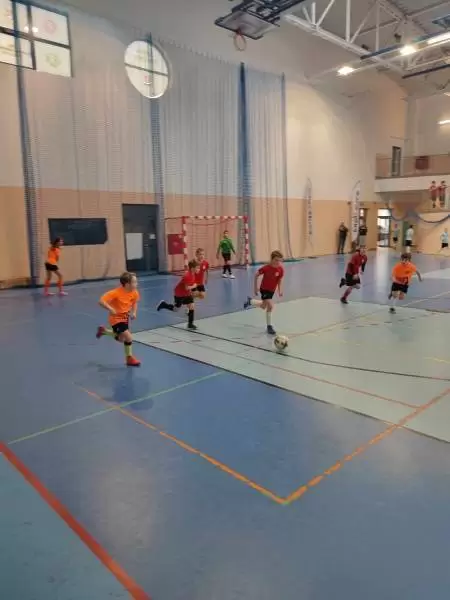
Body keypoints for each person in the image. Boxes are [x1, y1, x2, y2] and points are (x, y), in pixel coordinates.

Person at [96, 272, 141, 367]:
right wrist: (110, 308)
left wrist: (134, 312)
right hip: (116, 319)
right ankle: (129, 358)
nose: (137, 284)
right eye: (134, 282)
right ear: (127, 284)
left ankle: (104, 331)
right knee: (129, 337)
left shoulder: (134, 292)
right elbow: (101, 301)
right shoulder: (115, 293)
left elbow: (135, 302)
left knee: (121, 339)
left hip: (125, 318)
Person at [244, 250, 284, 335]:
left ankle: (250, 301)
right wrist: (255, 288)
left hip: (271, 291)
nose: (278, 262)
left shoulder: (280, 269)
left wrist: (280, 290)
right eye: (276, 260)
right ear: (272, 259)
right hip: (264, 289)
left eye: (279, 260)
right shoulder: (266, 268)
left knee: (263, 306)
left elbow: (279, 280)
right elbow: (256, 275)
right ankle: (269, 326)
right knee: (270, 306)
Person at [157, 260, 198, 330]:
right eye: (197, 268)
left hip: (187, 293)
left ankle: (190, 324)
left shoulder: (193, 274)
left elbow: (190, 286)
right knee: (176, 309)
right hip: (179, 294)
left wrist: (193, 289)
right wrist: (194, 286)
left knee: (192, 306)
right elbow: (186, 288)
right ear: (192, 268)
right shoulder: (187, 276)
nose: (198, 269)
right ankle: (163, 304)